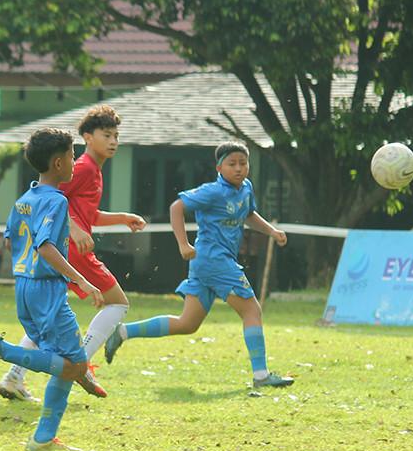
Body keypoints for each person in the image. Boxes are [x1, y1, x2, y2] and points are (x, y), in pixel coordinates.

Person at [103, 141, 294, 390]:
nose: (239, 168)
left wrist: (271, 231)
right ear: (219, 168)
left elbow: (247, 214)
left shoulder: (246, 188)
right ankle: (261, 376)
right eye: (232, 164)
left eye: (243, 163)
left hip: (207, 264)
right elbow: (177, 207)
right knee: (252, 311)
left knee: (188, 323)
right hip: (215, 260)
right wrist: (183, 244)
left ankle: (123, 332)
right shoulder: (212, 191)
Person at [0, 104, 145, 403]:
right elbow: (55, 200)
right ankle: (82, 364)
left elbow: (84, 212)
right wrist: (74, 230)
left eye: (117, 135)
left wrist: (121, 217)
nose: (114, 141)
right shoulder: (84, 166)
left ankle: (13, 377)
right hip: (67, 251)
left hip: (55, 255)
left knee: (44, 322)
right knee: (118, 304)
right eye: (107, 135)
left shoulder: (93, 169)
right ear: (87, 138)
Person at [0, 128, 104, 451]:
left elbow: (9, 239)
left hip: (24, 286)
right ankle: (2, 350)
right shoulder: (57, 200)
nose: (75, 163)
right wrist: (80, 280)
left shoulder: (25, 199)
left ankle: (44, 440)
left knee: (66, 363)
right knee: (76, 366)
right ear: (58, 163)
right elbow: (44, 247)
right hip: (47, 291)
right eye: (72, 157)